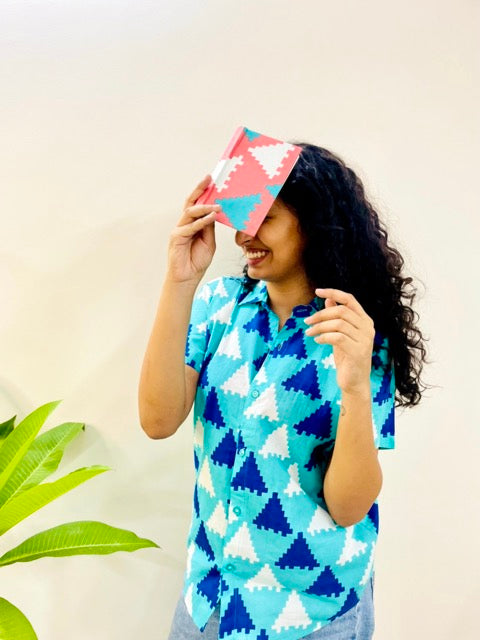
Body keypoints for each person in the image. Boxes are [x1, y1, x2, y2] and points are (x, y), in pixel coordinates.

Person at [138, 143, 427, 640]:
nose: (247, 235)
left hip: (310, 610)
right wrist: (181, 279)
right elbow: (158, 421)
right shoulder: (220, 306)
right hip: (210, 596)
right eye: (244, 217)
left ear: (313, 225)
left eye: (267, 217)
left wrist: (356, 386)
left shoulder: (351, 335)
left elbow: (348, 507)